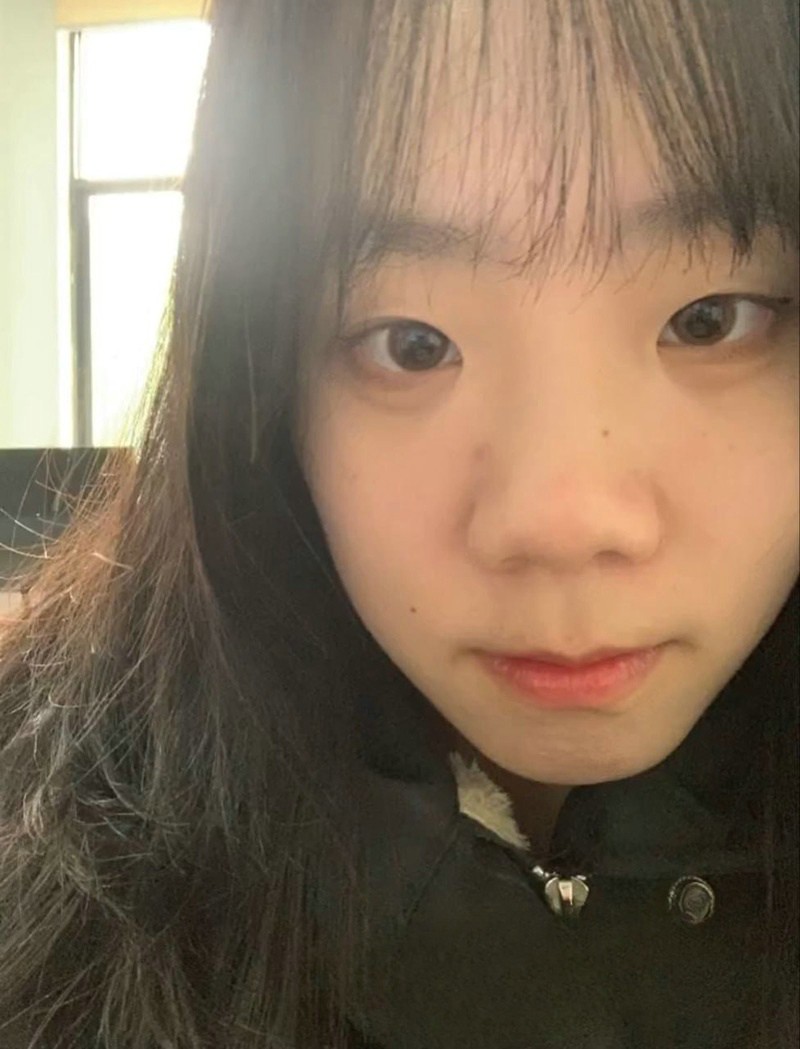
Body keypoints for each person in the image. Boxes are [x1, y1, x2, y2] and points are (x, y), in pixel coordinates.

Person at [0, 1, 797, 1046]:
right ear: (265, 383)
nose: (559, 519)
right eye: (411, 344)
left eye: (707, 321)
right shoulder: (41, 850)